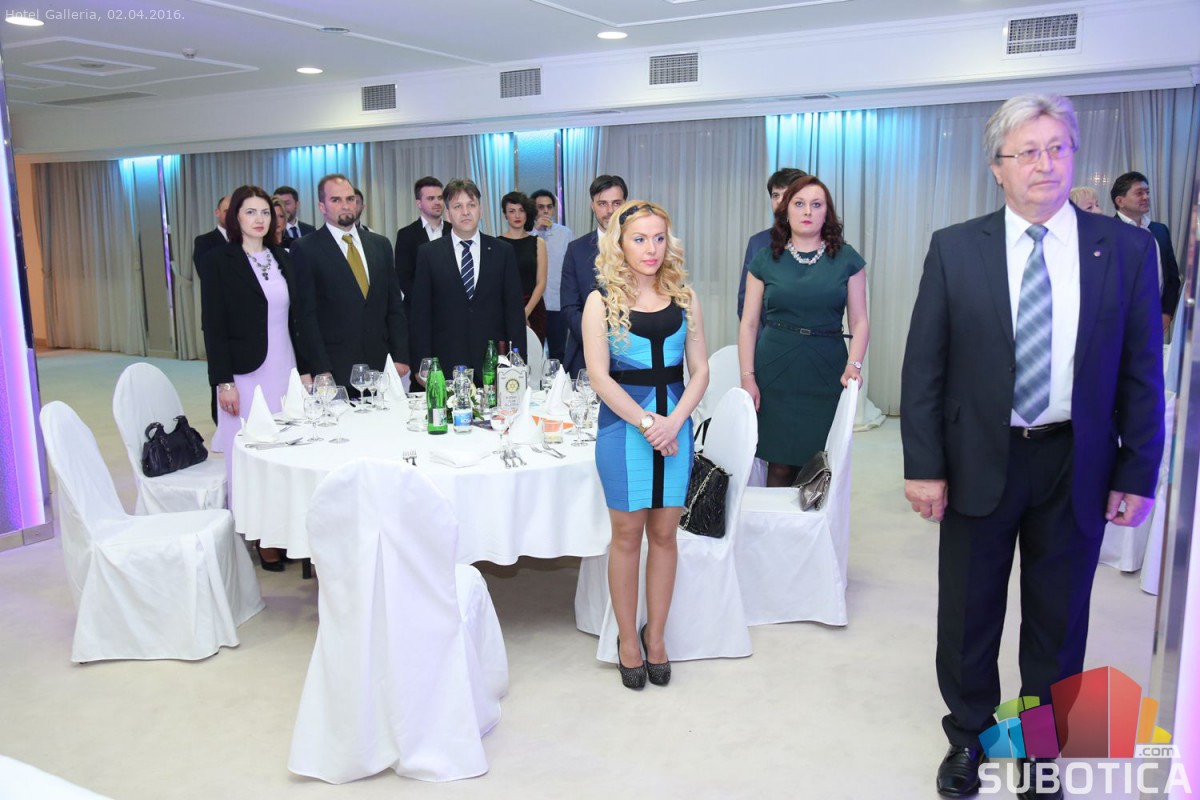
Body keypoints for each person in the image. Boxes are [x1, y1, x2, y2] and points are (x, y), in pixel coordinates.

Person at [901, 94, 1164, 800]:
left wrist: (1138, 470)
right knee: (970, 611)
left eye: (1056, 148)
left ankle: (1042, 751)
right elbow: (924, 366)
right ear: (998, 167)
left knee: (1059, 616)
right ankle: (968, 736)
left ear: (1073, 156)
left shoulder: (1126, 249)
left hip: (1076, 459)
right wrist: (924, 466)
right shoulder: (956, 247)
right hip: (978, 457)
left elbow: (1143, 369)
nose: (1044, 164)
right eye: (1027, 152)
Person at [582, 200, 709, 690]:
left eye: (658, 238)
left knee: (665, 535)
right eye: (639, 239)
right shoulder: (600, 301)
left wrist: (673, 423)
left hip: (675, 428)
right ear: (619, 244)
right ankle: (627, 642)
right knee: (627, 536)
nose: (651, 248)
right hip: (623, 430)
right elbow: (599, 377)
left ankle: (655, 637)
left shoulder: (685, 297)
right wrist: (646, 423)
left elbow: (700, 370)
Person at [200, 185, 321, 572]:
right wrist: (223, 382)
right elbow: (213, 326)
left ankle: (285, 530)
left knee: (286, 450)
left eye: (265, 212)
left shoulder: (283, 256)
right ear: (235, 217)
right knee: (249, 455)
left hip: (284, 366)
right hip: (244, 373)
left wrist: (305, 369)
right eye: (250, 212)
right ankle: (258, 535)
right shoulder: (220, 261)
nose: (259, 219)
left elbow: (299, 319)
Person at [738, 175, 869, 487]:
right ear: (786, 210)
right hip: (775, 368)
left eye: (816, 204)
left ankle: (812, 521)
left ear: (827, 212)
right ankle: (775, 520)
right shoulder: (766, 258)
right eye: (799, 204)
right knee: (779, 463)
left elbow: (860, 321)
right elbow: (749, 323)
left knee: (818, 464)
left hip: (826, 368)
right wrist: (747, 378)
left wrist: (854, 364)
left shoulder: (847, 259)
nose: (807, 211)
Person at [290, 173, 410, 390]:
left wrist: (401, 355)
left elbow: (394, 305)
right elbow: (306, 316)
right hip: (335, 366)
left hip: (381, 362)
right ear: (322, 206)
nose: (345, 205)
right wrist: (320, 368)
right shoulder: (306, 249)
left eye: (350, 199)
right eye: (336, 200)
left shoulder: (380, 244)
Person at [409, 179, 525, 383]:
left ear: (480, 210)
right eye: (457, 206)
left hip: (494, 364)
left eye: (471, 205)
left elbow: (514, 312)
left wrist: (518, 362)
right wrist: (421, 363)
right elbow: (421, 314)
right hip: (445, 364)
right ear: (447, 213)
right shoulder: (429, 254)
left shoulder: (503, 252)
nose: (465, 212)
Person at [562, 175, 628, 376]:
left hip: (634, 352)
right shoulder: (576, 249)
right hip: (586, 355)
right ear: (592, 206)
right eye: (602, 204)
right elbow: (570, 307)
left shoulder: (641, 245)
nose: (610, 211)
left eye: (616, 203)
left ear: (625, 205)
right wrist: (597, 341)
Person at [1111, 170, 1180, 332]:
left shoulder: (1160, 230)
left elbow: (1172, 277)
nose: (1146, 197)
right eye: (1139, 193)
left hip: (1155, 317)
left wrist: (1167, 313)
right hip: (1118, 322)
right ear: (1120, 201)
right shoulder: (1107, 231)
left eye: (1147, 192)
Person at [737, 168, 807, 319]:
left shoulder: (819, 242)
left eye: (786, 194)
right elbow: (744, 304)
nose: (779, 201)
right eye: (775, 195)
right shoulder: (758, 243)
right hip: (767, 331)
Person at [394, 176, 451, 314]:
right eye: (431, 198)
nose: (437, 202)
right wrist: (428, 302)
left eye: (440, 197)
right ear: (419, 203)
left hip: (451, 309)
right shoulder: (406, 234)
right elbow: (404, 277)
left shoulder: (454, 231)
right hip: (418, 310)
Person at [499, 191, 548, 342]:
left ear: (527, 213)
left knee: (533, 353)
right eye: (512, 211)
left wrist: (525, 312)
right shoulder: (496, 244)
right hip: (504, 309)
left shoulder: (538, 243)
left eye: (521, 210)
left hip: (534, 308)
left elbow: (541, 282)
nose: (517, 215)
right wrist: (513, 314)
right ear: (505, 215)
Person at [531, 189, 573, 361]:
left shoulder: (565, 233)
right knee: (533, 353)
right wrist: (535, 230)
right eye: (540, 207)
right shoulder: (527, 233)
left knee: (558, 353)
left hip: (557, 303)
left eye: (549, 207)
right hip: (533, 304)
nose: (545, 211)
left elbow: (571, 267)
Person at [193, 195, 230, 282]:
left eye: (235, 212)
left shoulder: (247, 241)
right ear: (217, 212)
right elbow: (207, 277)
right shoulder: (203, 242)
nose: (231, 216)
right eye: (227, 211)